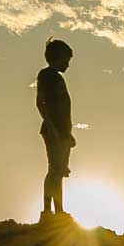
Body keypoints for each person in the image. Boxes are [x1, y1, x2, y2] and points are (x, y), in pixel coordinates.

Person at [36, 38, 75, 222]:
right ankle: (47, 212)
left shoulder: (57, 77)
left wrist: (68, 133)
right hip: (54, 130)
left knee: (59, 171)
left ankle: (58, 211)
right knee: (54, 170)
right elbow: (40, 102)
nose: (68, 64)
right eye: (66, 60)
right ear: (57, 58)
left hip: (62, 132)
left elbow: (64, 110)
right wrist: (51, 127)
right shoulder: (47, 75)